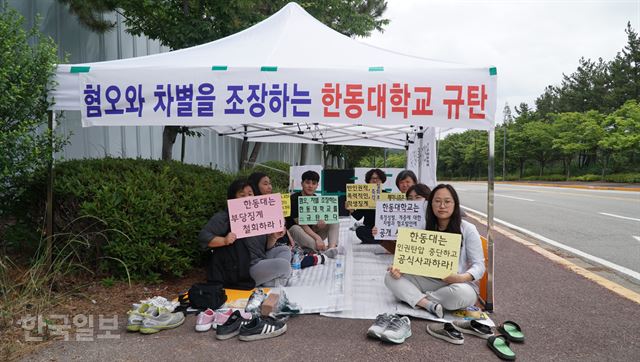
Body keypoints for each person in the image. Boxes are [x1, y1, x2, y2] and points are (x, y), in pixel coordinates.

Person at [384, 184, 485, 318]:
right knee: (390, 278)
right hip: (426, 279)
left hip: (454, 282)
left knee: (464, 295)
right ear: (430, 204)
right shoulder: (422, 227)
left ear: (455, 204)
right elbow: (411, 257)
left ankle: (416, 298)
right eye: (437, 201)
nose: (442, 206)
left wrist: (461, 277)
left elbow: (479, 265)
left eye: (447, 201)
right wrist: (398, 268)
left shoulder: (468, 229)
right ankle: (429, 304)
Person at [198, 179, 291, 287]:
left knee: (284, 250)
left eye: (250, 194)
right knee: (283, 265)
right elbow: (203, 238)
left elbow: (266, 247)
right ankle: (272, 281)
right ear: (233, 199)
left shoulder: (259, 216)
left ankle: (269, 281)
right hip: (243, 268)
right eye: (242, 195)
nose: (247, 198)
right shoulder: (224, 217)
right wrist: (224, 240)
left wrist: (274, 237)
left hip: (261, 260)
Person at [286, 170, 339, 253]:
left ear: (317, 185)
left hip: (312, 233)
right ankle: (324, 249)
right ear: (302, 183)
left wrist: (318, 226)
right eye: (307, 183)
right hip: (297, 234)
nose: (310, 186)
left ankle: (331, 248)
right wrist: (317, 238)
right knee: (295, 228)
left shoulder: (316, 199)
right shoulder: (293, 199)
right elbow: (302, 224)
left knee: (334, 221)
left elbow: (313, 226)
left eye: (314, 183)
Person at [347, 168, 386, 244]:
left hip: (384, 228)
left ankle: (380, 240)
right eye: (372, 179)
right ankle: (381, 240)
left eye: (377, 178)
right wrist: (351, 209)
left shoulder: (387, 195)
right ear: (368, 181)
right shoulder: (365, 196)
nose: (375, 181)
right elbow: (358, 216)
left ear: (382, 181)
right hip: (369, 228)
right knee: (359, 230)